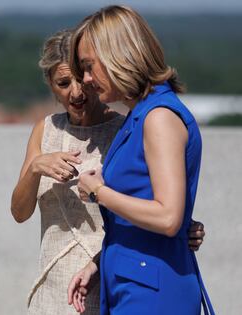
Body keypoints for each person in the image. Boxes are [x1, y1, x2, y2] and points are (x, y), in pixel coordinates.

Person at [11, 29, 205, 315]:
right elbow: (19, 212)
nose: (76, 92)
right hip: (52, 288)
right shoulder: (45, 130)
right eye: (64, 83)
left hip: (107, 283)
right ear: (51, 85)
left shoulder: (127, 129)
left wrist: (184, 227)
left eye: (83, 79)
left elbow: (160, 204)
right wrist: (35, 168)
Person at [67, 5, 214, 315]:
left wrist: (98, 192)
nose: (88, 80)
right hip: (134, 285)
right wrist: (98, 264)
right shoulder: (140, 115)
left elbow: (167, 217)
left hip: (152, 294)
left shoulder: (158, 117)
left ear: (120, 54)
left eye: (90, 66)